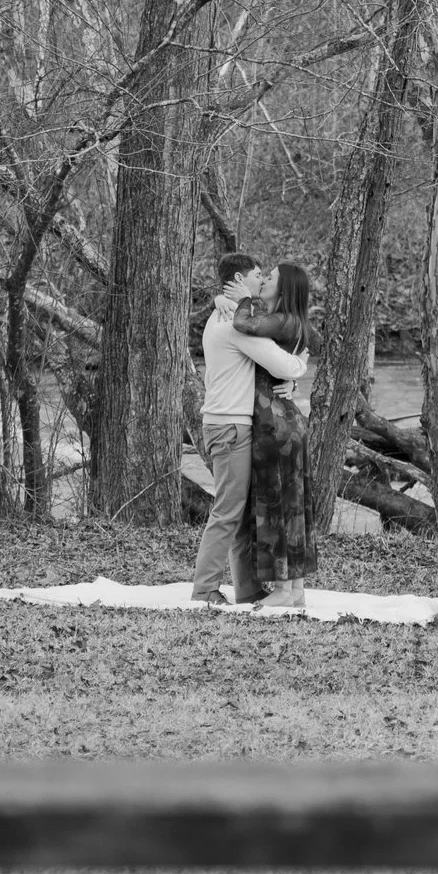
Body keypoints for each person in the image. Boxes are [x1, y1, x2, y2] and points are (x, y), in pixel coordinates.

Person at [192, 252, 307, 603]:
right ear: (240, 279)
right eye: (258, 274)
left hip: (225, 424)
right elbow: (281, 361)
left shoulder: (221, 314)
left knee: (240, 513)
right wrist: (300, 366)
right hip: (230, 426)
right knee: (228, 511)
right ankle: (205, 590)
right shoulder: (233, 324)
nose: (262, 280)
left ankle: (246, 588)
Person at [231, 261, 318, 610]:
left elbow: (243, 323)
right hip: (288, 424)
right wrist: (295, 374)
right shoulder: (291, 323)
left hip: (273, 427)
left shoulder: (281, 321)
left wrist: (246, 298)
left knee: (276, 508)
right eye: (263, 277)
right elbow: (314, 340)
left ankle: (283, 590)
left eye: (271, 279)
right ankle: (294, 588)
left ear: (284, 290)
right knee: (293, 507)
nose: (265, 280)